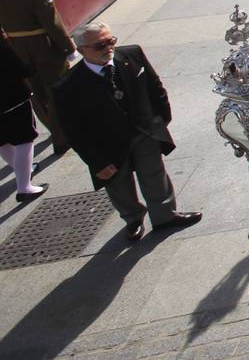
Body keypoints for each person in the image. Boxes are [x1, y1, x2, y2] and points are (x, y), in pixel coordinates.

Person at [54, 23, 201, 242]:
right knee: (118, 183)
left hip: (143, 131)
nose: (108, 47)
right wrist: (96, 161)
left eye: (110, 41)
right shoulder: (68, 85)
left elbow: (155, 86)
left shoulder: (132, 54)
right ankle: (133, 219)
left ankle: (164, 216)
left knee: (154, 174)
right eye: (100, 45)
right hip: (107, 144)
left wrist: (161, 119)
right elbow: (74, 130)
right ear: (82, 50)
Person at [0, 0, 73, 155]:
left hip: (14, 49)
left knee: (35, 94)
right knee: (55, 89)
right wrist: (68, 47)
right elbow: (52, 23)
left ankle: (53, 129)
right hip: (42, 46)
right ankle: (61, 136)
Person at [0, 30, 46, 204]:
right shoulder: (3, 48)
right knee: (25, 140)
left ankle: (22, 170)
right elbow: (20, 71)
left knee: (3, 142)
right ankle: (24, 187)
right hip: (14, 101)